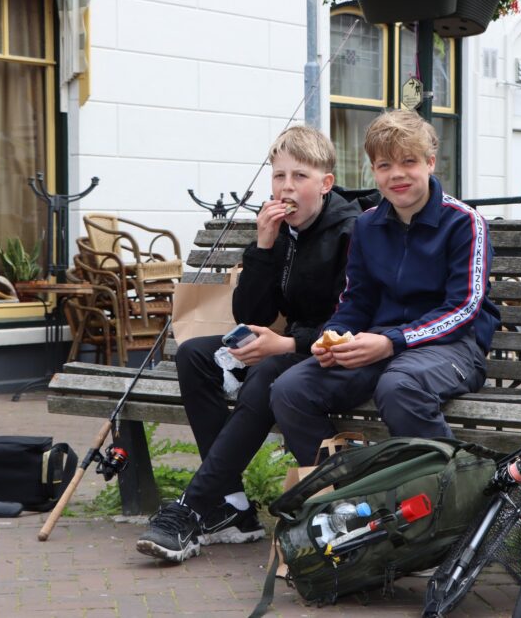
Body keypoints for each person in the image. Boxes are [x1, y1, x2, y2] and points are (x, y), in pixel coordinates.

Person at [136, 125, 360, 562]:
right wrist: (263, 244)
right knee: (195, 356)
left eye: (299, 176)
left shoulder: (351, 232)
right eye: (279, 176)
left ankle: (195, 504)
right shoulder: (281, 229)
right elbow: (250, 315)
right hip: (287, 342)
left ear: (325, 183)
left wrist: (286, 344)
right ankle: (234, 506)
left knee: (266, 379)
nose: (286, 187)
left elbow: (353, 321)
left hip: (330, 350)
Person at [268, 109, 501, 466]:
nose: (397, 175)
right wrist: (332, 337)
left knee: (398, 387)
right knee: (290, 389)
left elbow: (464, 308)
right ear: (373, 171)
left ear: (430, 163)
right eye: (384, 165)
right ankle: (347, 495)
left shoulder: (464, 222)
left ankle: (454, 491)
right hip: (382, 343)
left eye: (408, 161)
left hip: (453, 348)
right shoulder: (366, 225)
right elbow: (356, 299)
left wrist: (391, 342)